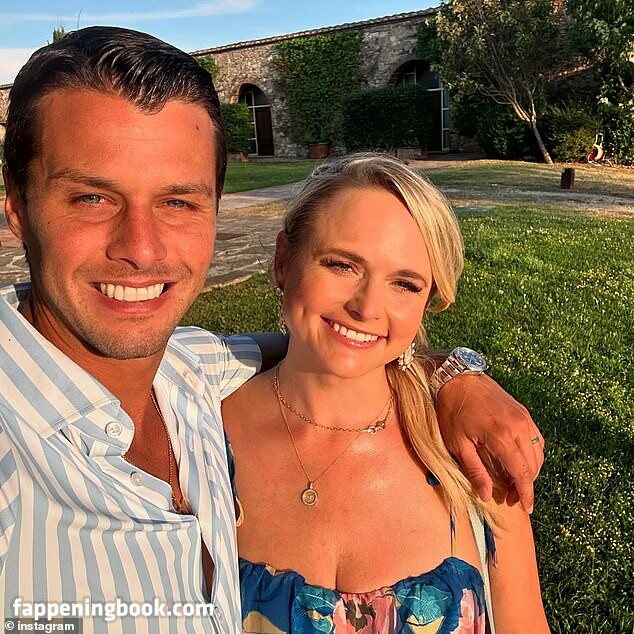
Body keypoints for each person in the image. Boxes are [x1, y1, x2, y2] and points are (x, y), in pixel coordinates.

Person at [0, 27, 543, 633]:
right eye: (92, 198)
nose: (141, 249)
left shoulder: (192, 377)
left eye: (177, 202)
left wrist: (453, 375)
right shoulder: (203, 419)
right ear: (16, 205)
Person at [221, 154, 550, 633]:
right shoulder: (196, 434)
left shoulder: (469, 454)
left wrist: (459, 375)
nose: (367, 307)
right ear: (283, 262)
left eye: (405, 284)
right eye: (341, 265)